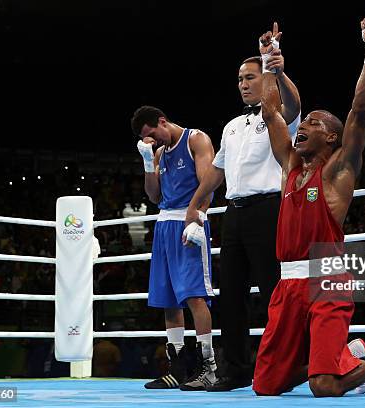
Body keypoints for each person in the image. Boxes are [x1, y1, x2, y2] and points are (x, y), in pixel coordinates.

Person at [252, 11, 365, 397]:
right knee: (265, 385)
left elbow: (359, 111)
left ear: (331, 137)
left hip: (327, 279)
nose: (303, 126)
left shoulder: (338, 172)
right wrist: (268, 61)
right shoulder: (289, 170)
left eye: (311, 122)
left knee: (324, 386)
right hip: (288, 284)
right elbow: (270, 112)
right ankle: (346, 356)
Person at [185, 27, 301, 391]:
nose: (243, 84)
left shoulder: (279, 119)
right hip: (234, 214)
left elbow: (294, 105)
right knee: (231, 296)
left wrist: (275, 69)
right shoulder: (232, 126)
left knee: (272, 294)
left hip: (268, 211)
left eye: (250, 77)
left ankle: (286, 366)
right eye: (239, 79)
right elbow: (217, 170)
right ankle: (235, 370)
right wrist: (195, 203)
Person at [132, 106, 218, 391]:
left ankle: (209, 367)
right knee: (168, 299)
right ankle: (179, 368)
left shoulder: (196, 140)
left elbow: (208, 183)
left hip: (189, 221)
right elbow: (155, 195)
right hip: (164, 225)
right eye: (146, 140)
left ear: (162, 121)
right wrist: (147, 162)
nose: (152, 141)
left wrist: (199, 217)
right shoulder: (158, 153)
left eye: (152, 134)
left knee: (195, 295)